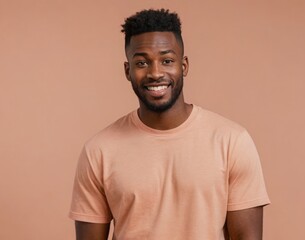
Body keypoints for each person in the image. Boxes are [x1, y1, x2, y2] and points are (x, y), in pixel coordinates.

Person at [69, 8, 270, 240]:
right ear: (128, 71)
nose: (155, 73)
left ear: (183, 66)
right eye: (142, 63)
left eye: (166, 60)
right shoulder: (99, 150)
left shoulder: (232, 141)